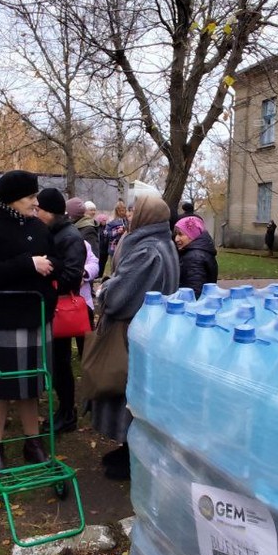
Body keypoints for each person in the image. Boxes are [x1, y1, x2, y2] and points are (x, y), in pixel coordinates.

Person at [0, 170, 57, 471]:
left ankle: (32, 442)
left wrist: (53, 272)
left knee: (32, 383)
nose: (36, 202)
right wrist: (28, 264)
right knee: (1, 385)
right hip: (4, 317)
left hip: (36, 314)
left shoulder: (37, 226)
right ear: (11, 199)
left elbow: (51, 263)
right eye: (30, 197)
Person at [89, 196, 179, 480]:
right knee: (138, 393)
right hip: (149, 331)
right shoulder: (161, 243)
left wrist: (104, 289)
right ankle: (129, 450)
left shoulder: (147, 251)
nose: (129, 214)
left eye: (134, 210)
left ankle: (133, 456)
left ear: (145, 217)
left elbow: (119, 297)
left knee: (128, 392)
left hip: (134, 332)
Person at [36, 188, 87, 436]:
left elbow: (71, 276)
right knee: (54, 362)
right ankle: (63, 409)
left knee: (61, 363)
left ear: (51, 212)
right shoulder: (51, 231)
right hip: (49, 305)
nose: (36, 214)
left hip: (60, 309)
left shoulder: (70, 237)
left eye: (39, 210)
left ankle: (68, 412)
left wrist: (44, 271)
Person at [174, 215, 218, 296]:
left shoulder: (194, 257)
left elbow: (194, 293)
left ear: (192, 234)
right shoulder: (202, 252)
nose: (176, 239)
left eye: (180, 234)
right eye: (176, 234)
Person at [99, 200, 129, 277]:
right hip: (114, 248)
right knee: (114, 265)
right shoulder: (112, 222)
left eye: (124, 210)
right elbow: (106, 234)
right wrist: (116, 232)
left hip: (125, 246)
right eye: (121, 210)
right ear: (117, 211)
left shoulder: (127, 221)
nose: (123, 212)